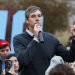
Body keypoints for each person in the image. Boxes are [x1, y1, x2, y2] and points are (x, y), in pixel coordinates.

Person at [13, 6, 75, 75]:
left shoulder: (51, 38)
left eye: (39, 16)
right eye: (33, 16)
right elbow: (24, 60)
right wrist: (36, 38)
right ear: (27, 20)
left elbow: (70, 57)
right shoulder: (18, 39)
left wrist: (74, 37)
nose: (37, 19)